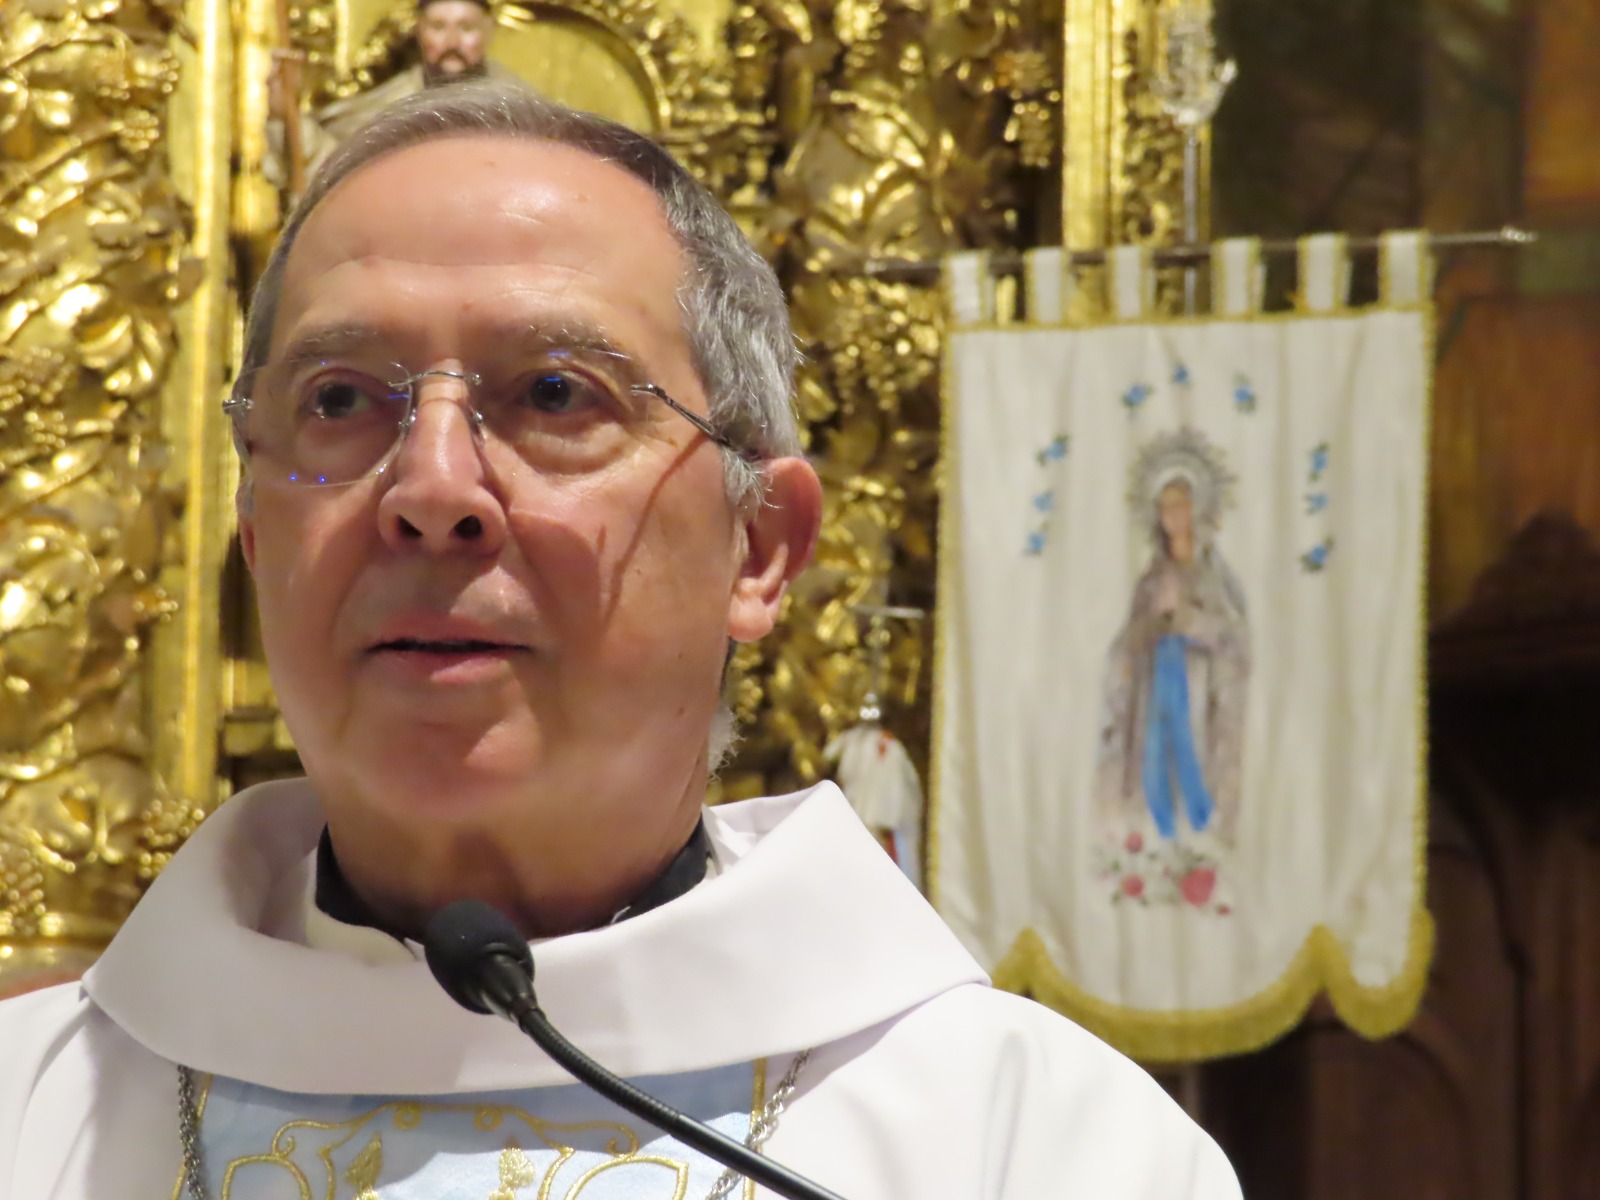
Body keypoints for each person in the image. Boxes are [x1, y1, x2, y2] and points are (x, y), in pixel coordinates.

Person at [0, 81, 1242, 1199]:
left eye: (554, 394)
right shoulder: (34, 1117)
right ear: (254, 534)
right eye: (338, 400)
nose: (431, 488)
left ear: (758, 549)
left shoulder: (1037, 1149)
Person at [1097, 472, 1250, 848]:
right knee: (1152, 763)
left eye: (1180, 505)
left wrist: (1184, 615)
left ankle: (1201, 836)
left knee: (1191, 758)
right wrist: (1152, 623)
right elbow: (1130, 636)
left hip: (1196, 682)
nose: (1173, 515)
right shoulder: (1151, 578)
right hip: (1155, 681)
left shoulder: (1213, 575)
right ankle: (1161, 842)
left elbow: (1234, 636)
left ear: (1195, 510)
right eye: (1165, 507)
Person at [266, 0, 514, 188]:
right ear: (419, 30)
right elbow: (331, 173)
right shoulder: (388, 106)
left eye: (466, 28)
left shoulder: (516, 106)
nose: (452, 42)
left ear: (488, 30)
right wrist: (285, 114)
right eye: (438, 27)